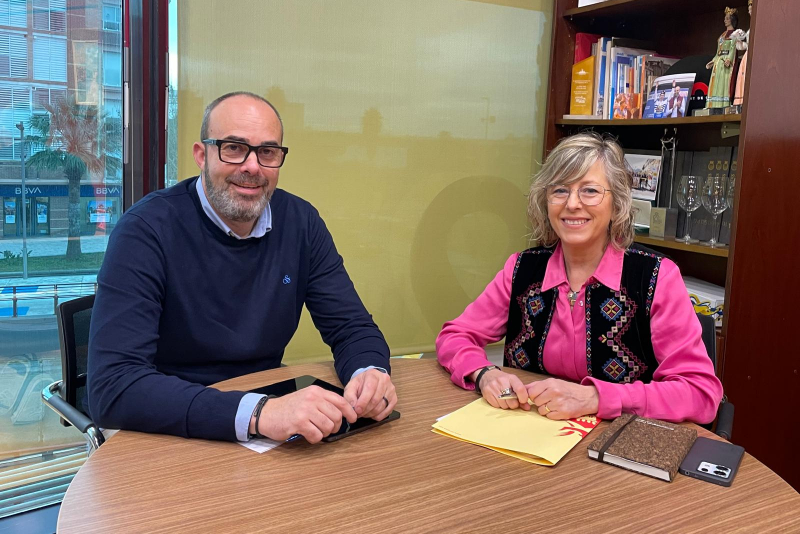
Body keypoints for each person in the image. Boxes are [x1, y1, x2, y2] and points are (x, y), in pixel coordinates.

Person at [88, 91, 397, 444]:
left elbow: (351, 327)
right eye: (233, 148)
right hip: (166, 423)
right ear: (201, 155)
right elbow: (113, 385)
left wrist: (369, 372)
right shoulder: (146, 229)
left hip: (268, 422)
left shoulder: (301, 222)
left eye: (267, 152)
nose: (252, 167)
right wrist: (259, 413)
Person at [436, 132, 722, 424]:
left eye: (590, 191)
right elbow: (454, 336)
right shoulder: (521, 269)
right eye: (560, 190)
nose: (572, 203)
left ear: (617, 204)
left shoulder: (656, 277)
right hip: (528, 434)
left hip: (618, 443)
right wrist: (484, 373)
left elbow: (700, 393)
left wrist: (595, 398)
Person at [705, 7, 739, 108]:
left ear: (732, 20)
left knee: (723, 84)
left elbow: (733, 49)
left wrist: (729, 59)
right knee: (716, 83)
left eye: (727, 18)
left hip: (725, 63)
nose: (725, 20)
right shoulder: (722, 35)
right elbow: (718, 51)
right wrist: (713, 61)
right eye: (725, 18)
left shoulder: (734, 35)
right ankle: (713, 104)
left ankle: (722, 104)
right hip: (718, 62)